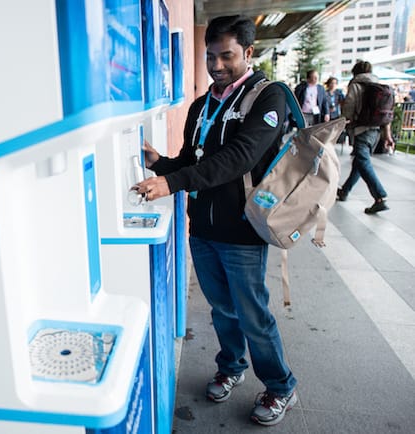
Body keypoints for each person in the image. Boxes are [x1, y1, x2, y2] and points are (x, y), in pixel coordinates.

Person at [133, 15, 297, 426]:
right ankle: (232, 366)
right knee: (222, 309)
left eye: (227, 56)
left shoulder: (268, 97)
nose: (218, 65)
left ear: (249, 52)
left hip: (243, 230)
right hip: (203, 230)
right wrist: (162, 164)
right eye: (211, 56)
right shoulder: (202, 106)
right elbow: (194, 159)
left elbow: (240, 157)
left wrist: (172, 182)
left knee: (252, 314)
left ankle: (281, 387)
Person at [336, 60, 394, 214]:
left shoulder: (356, 85)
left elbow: (348, 108)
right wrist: (387, 135)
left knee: (362, 161)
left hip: (361, 129)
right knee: (359, 162)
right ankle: (345, 191)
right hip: (376, 131)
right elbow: (386, 115)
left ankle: (380, 197)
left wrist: (341, 124)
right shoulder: (380, 86)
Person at [325, 76, 346, 145]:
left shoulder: (338, 93)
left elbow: (344, 101)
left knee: (335, 130)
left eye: (335, 83)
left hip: (336, 114)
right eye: (332, 83)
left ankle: (333, 142)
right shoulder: (325, 93)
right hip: (328, 114)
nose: (333, 85)